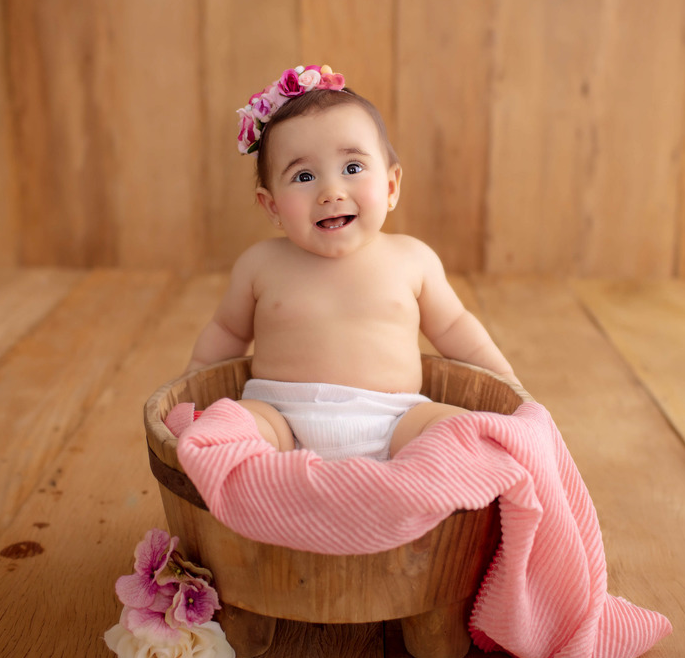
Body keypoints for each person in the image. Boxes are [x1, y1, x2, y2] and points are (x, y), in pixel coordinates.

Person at [184, 65, 518, 461]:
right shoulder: (260, 264)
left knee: (457, 431)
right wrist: (190, 388)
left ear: (391, 187)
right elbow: (225, 331)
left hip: (395, 421)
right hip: (281, 419)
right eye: (304, 175)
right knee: (233, 425)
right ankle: (260, 478)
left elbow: (455, 326)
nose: (331, 192)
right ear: (271, 206)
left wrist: (509, 384)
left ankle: (413, 485)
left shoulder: (412, 259)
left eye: (353, 168)